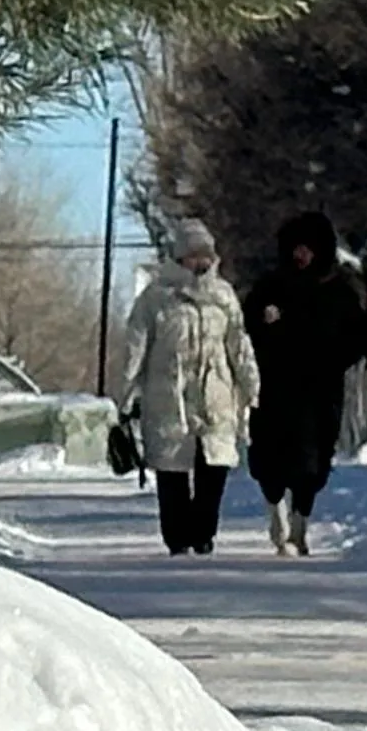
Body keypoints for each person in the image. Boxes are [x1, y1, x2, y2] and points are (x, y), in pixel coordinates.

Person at [118, 219, 259, 557]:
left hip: (216, 397)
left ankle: (204, 532)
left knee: (215, 468)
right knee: (172, 472)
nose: (202, 262)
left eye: (206, 255)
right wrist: (124, 392)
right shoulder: (155, 298)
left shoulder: (223, 297)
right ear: (180, 258)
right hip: (169, 398)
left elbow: (239, 343)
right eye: (194, 255)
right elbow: (135, 346)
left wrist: (250, 383)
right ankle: (177, 537)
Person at [245, 209, 367, 555]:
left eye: (308, 248)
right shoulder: (270, 287)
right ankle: (277, 511)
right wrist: (265, 325)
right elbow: (246, 329)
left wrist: (338, 360)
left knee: (312, 463)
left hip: (320, 390)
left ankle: (301, 522)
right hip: (274, 387)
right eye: (295, 248)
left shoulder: (337, 291)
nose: (301, 255)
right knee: (269, 460)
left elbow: (362, 336)